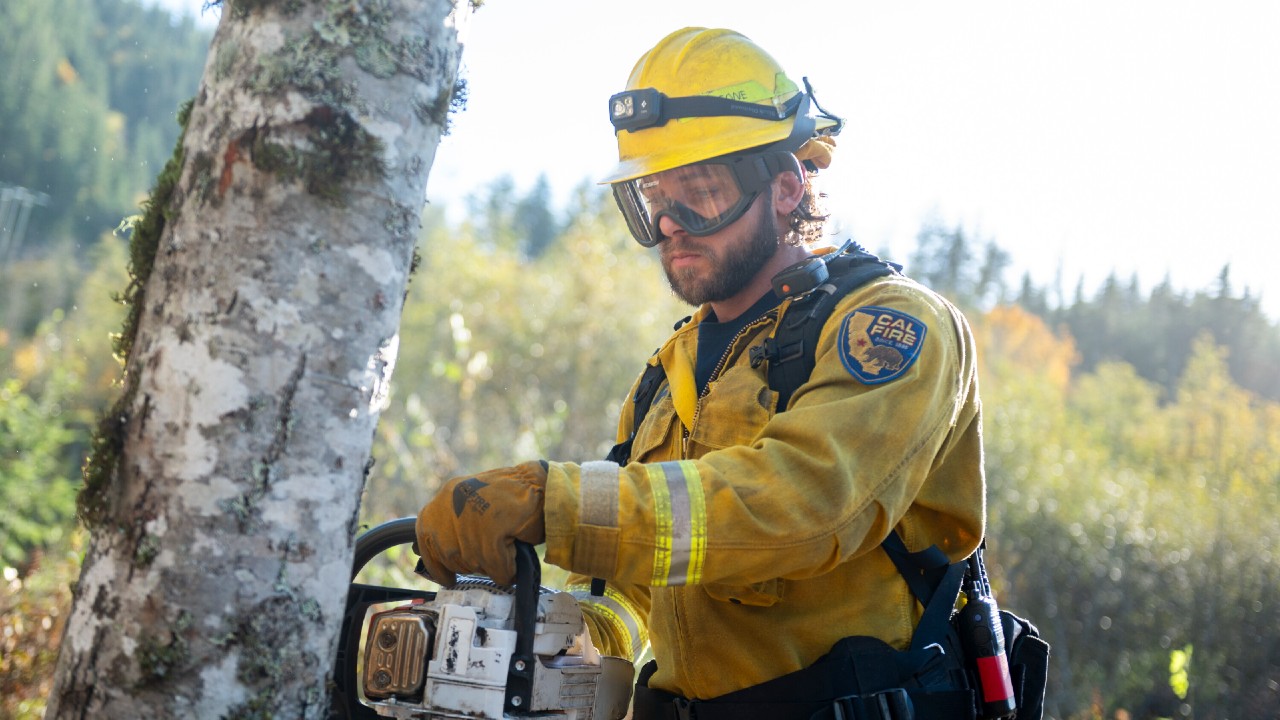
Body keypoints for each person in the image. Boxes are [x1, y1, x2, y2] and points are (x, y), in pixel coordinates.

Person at [415, 26, 986, 719]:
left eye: (702, 192)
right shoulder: (671, 371)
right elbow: (641, 580)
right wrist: (563, 641)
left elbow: (800, 508)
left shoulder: (891, 328)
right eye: (655, 196)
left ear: (785, 187)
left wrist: (553, 503)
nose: (673, 223)